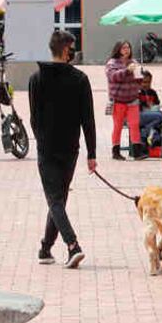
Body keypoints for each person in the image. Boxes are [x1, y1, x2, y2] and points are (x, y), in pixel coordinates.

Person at [27, 30, 96, 269]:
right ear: (66, 49)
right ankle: (46, 247)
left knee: (56, 200)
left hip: (47, 147)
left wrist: (41, 140)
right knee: (58, 199)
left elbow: (33, 118)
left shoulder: (36, 79)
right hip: (70, 147)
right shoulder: (80, 79)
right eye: (73, 47)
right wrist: (92, 153)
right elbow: (88, 119)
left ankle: (72, 245)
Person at [105, 41, 145, 160]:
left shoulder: (134, 62)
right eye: (123, 48)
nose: (126, 50)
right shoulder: (112, 63)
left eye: (128, 47)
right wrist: (127, 70)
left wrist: (140, 75)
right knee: (118, 126)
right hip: (118, 100)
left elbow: (139, 80)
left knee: (134, 124)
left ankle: (136, 152)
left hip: (132, 99)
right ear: (118, 49)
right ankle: (116, 151)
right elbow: (113, 77)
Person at [138, 70, 162, 149]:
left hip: (152, 114)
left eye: (148, 82)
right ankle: (147, 135)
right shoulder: (138, 92)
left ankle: (146, 134)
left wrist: (154, 106)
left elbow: (157, 103)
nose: (146, 85)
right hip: (141, 115)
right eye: (144, 82)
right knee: (161, 116)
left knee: (158, 123)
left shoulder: (152, 92)